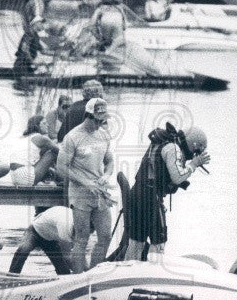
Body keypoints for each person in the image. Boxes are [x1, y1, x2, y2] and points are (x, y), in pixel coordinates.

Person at [126, 125, 211, 262]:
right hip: (151, 198)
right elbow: (177, 177)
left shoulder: (164, 143)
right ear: (193, 144)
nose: (195, 154)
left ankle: (128, 271)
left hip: (138, 194)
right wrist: (193, 165)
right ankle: (153, 272)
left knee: (137, 241)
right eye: (198, 150)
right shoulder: (174, 148)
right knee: (159, 241)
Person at [56, 98, 115, 272]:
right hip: (80, 193)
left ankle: (94, 273)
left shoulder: (104, 135)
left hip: (100, 191)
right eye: (97, 120)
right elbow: (61, 167)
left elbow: (109, 161)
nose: (100, 124)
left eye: (103, 121)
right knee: (81, 238)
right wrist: (85, 182)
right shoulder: (73, 137)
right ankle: (79, 277)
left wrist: (107, 174)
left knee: (105, 236)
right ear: (88, 116)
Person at [9, 206, 75, 275]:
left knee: (61, 267)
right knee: (23, 250)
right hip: (34, 231)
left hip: (50, 238)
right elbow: (67, 257)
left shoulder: (76, 219)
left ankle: (64, 279)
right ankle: (12, 276)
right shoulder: (65, 225)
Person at [11, 114, 60, 187]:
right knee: (52, 153)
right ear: (37, 125)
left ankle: (56, 178)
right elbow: (61, 152)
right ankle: (64, 179)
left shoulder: (24, 137)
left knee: (49, 167)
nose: (48, 125)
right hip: (24, 176)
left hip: (15, 177)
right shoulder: (40, 138)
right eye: (44, 123)